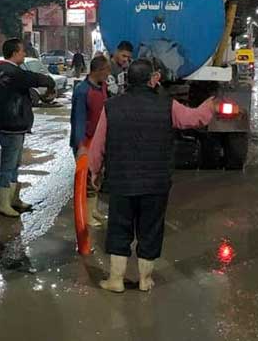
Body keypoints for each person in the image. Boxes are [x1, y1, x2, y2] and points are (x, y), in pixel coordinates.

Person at [88, 59, 219, 293]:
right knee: (150, 229)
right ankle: (145, 280)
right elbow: (194, 119)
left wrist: (95, 172)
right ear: (152, 79)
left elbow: (98, 145)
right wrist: (210, 105)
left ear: (128, 80)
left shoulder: (112, 106)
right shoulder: (167, 105)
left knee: (119, 228)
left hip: (121, 182)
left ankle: (116, 280)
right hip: (155, 183)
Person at [0, 37, 55, 216]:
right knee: (9, 164)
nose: (24, 53)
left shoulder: (4, 70)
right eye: (22, 51)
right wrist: (49, 82)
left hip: (12, 124)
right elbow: (34, 78)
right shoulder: (10, 72)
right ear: (14, 53)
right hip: (11, 123)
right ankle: (4, 203)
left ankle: (12, 199)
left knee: (14, 164)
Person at [70, 55, 111, 226]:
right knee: (86, 179)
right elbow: (78, 119)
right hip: (86, 142)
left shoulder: (103, 87)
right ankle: (86, 215)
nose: (108, 74)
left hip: (98, 141)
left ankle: (93, 210)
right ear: (98, 71)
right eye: (106, 71)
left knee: (96, 178)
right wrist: (81, 146)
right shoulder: (82, 90)